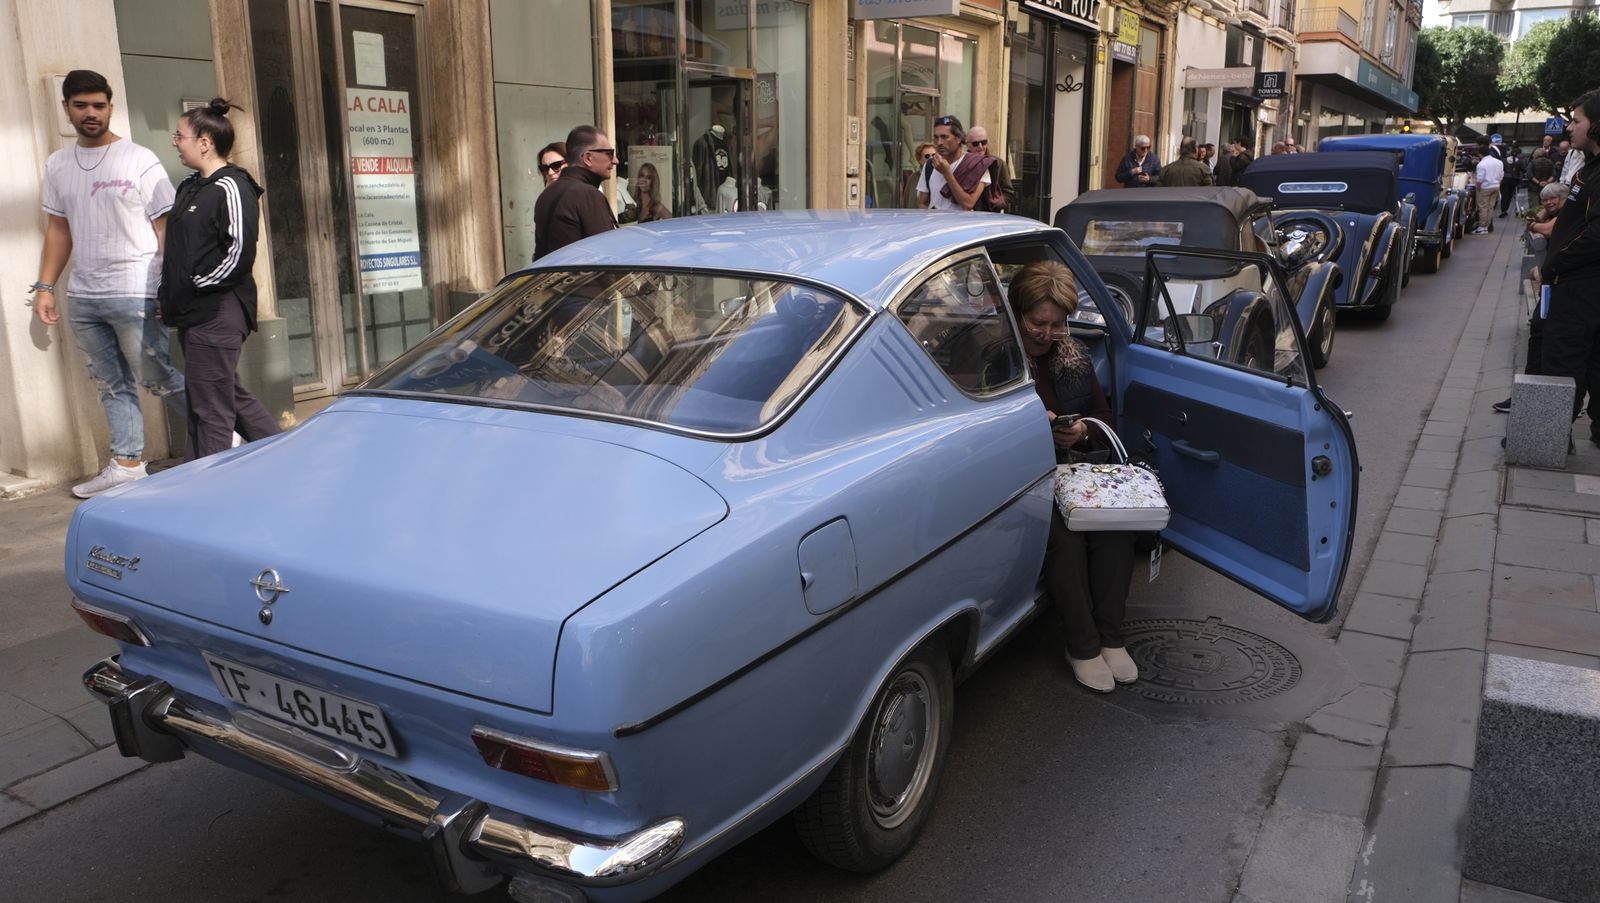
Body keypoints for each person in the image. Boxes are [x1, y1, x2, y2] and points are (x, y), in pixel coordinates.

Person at [33, 69, 187, 498]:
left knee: (157, 376)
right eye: (81, 105)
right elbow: (59, 230)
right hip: (84, 294)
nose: (90, 113)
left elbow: (165, 229)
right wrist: (45, 286)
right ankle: (127, 464)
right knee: (109, 382)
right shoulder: (58, 164)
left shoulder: (139, 159)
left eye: (99, 105)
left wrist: (165, 287)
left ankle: (222, 440)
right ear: (66, 107)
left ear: (110, 107)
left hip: (135, 288)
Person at [1009, 260, 1138, 692]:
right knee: (1064, 538)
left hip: (1077, 471)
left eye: (1057, 324)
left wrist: (1080, 430)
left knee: (1116, 528)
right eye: (1036, 323)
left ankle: (1112, 637)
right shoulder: (999, 358)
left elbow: (1105, 417)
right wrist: (1035, 426)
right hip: (1028, 479)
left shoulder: (1074, 356)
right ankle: (1082, 645)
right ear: (1017, 312)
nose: (1046, 333)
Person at [161, 97, 281, 461]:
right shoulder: (189, 187)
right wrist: (167, 295)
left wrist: (195, 286)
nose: (174, 142)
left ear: (204, 142)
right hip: (192, 310)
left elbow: (239, 253)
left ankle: (205, 485)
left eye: (179, 135)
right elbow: (178, 252)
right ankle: (285, 457)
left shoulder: (233, 186)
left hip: (218, 309)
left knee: (210, 408)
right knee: (224, 394)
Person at [1540, 92, 1600, 446]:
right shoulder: (1589, 168)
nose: (1569, 126)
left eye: (1577, 120)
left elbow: (1596, 234)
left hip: (1579, 287)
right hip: (1578, 284)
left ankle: (1551, 437)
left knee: (1564, 361)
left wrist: (1558, 260)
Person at [1495, 181, 1571, 413]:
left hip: (1565, 287)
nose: (1548, 203)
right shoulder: (1555, 211)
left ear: (1566, 198)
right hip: (1551, 286)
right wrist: (1544, 213)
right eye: (1546, 199)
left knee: (1546, 337)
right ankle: (1528, 392)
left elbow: (1544, 229)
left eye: (1553, 199)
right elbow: (1536, 219)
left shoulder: (1570, 214)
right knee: (1538, 332)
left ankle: (1545, 399)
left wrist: (1536, 226)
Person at [533, 125, 617, 260]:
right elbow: (608, 258)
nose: (615, 161)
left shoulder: (545, 196)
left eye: (556, 166)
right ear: (588, 158)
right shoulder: (587, 194)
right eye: (609, 154)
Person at [916, 115, 990, 211]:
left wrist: (947, 173)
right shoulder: (930, 164)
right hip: (935, 225)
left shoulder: (978, 165)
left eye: (944, 137)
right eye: (936, 137)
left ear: (958, 138)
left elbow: (968, 204)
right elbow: (922, 203)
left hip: (961, 225)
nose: (939, 143)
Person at [965, 126, 1015, 212]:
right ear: (968, 145)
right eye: (976, 143)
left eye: (984, 142)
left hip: (991, 216)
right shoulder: (963, 164)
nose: (980, 147)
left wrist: (995, 203)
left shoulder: (998, 164)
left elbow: (1008, 193)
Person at [1473, 137, 1503, 234]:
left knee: (1483, 207)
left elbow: (1479, 179)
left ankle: (1482, 227)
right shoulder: (1499, 162)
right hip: (1496, 186)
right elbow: (1501, 175)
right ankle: (1487, 225)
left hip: (1485, 187)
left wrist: (1478, 189)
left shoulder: (1481, 164)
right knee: (1490, 207)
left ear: (1480, 154)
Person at [1500, 145, 1526, 218]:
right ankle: (1506, 209)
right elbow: (1524, 170)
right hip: (1514, 180)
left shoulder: (1504, 160)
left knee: (1504, 195)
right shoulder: (1519, 162)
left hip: (1505, 179)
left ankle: (1503, 211)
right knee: (1510, 195)